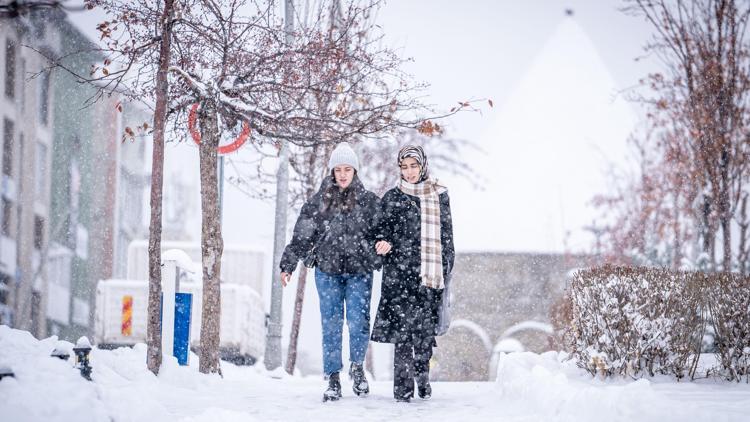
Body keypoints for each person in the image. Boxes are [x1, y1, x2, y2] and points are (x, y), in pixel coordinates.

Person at [279, 142, 381, 402]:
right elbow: (302, 235)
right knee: (331, 324)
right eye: (339, 169)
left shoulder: (369, 203)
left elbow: (385, 233)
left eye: (348, 169)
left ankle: (357, 368)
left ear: (355, 172)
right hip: (328, 272)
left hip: (360, 272)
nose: (343, 174)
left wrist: (377, 251)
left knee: (358, 322)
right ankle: (333, 376)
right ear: (332, 171)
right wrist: (288, 264)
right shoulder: (319, 202)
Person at [371, 145, 454, 403]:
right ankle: (402, 393)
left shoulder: (439, 195)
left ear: (423, 166)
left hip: (430, 277)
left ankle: (422, 376)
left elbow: (447, 236)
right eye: (404, 167)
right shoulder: (392, 198)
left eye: (413, 166)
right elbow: (380, 231)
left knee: (424, 336)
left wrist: (446, 267)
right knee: (403, 336)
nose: (409, 172)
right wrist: (382, 243)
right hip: (400, 276)